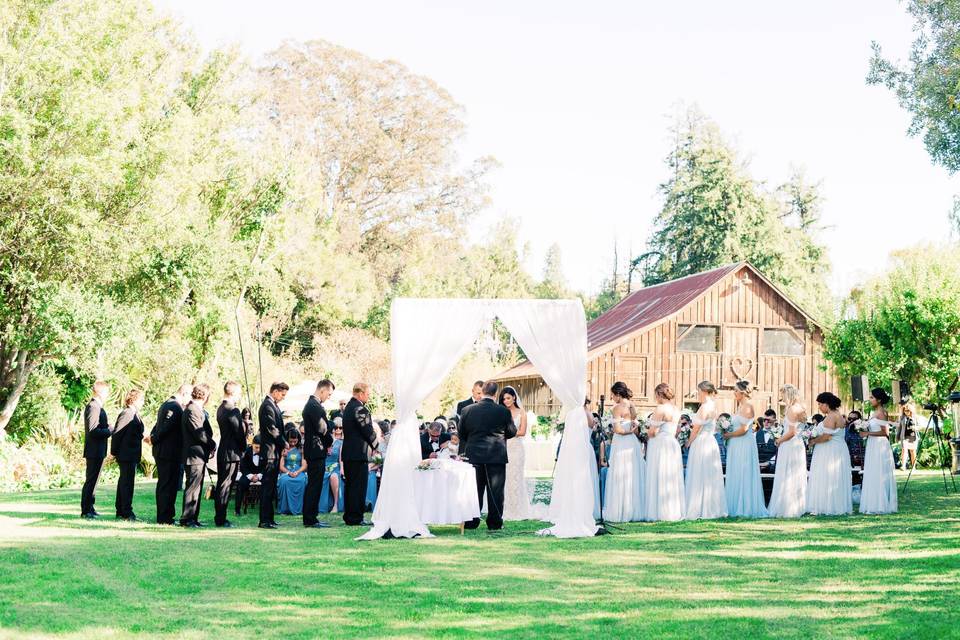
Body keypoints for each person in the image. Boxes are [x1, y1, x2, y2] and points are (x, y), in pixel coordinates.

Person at [460, 380, 517, 530]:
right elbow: (512, 432)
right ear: (495, 393)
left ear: (483, 391)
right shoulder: (503, 411)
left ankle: (472, 521)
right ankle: (495, 522)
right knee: (496, 491)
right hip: (496, 456)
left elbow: (462, 434)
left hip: (474, 456)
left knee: (474, 490)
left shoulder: (467, 410)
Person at [722, 380, 768, 518]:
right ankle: (735, 505)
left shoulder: (748, 407)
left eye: (735, 390)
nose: (734, 393)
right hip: (736, 444)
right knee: (736, 471)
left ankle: (746, 506)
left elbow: (744, 429)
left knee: (743, 472)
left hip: (743, 443)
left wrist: (728, 434)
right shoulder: (740, 406)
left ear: (742, 392)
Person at [150, 384, 192, 525]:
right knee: (167, 485)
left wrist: (153, 436)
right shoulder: (174, 407)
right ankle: (164, 517)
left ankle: (167, 515)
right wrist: (154, 438)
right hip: (168, 452)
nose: (190, 400)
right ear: (184, 393)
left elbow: (158, 426)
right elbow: (164, 428)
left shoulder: (166, 404)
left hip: (166, 451)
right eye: (189, 396)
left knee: (167, 484)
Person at [603, 381, 645, 522]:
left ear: (618, 394)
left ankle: (621, 510)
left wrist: (628, 432)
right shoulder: (633, 406)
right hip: (633, 443)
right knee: (632, 473)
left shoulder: (617, 408)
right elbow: (636, 427)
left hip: (622, 443)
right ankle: (633, 509)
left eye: (613, 395)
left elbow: (618, 430)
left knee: (620, 473)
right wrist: (632, 432)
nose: (612, 398)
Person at [684, 381, 727, 520]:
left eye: (698, 391)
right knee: (709, 475)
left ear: (704, 391)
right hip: (710, 442)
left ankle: (698, 508)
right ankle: (711, 506)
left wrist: (688, 442)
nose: (698, 394)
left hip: (702, 442)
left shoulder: (704, 407)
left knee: (699, 473)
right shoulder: (713, 406)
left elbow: (696, 428)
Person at [806, 392, 852, 515]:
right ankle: (835, 504)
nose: (819, 407)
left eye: (820, 404)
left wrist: (813, 441)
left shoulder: (831, 416)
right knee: (834, 477)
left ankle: (827, 506)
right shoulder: (838, 415)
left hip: (829, 451)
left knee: (827, 476)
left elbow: (827, 437)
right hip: (838, 449)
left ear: (826, 404)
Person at [643, 383, 684, 521]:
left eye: (656, 395)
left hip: (660, 444)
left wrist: (646, 431)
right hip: (672, 443)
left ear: (660, 394)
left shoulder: (660, 409)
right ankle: (672, 510)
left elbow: (652, 432)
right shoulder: (676, 409)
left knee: (658, 474)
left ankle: (658, 511)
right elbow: (677, 430)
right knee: (670, 476)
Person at [341, 382, 379, 526]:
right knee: (358, 486)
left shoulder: (349, 408)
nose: (368, 397)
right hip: (358, 453)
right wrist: (376, 445)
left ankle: (350, 516)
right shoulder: (359, 409)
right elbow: (367, 430)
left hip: (350, 453)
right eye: (367, 394)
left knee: (351, 486)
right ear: (360, 393)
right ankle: (356, 517)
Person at [768, 384, 808, 518]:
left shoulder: (792, 410)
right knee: (795, 473)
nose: (782, 398)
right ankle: (797, 505)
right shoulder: (802, 408)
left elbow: (791, 432)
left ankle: (786, 507)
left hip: (790, 444)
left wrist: (779, 440)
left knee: (787, 473)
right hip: (798, 444)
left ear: (788, 395)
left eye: (783, 395)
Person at [179, 384, 215, 527]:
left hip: (199, 455)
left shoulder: (196, 409)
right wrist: (212, 444)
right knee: (192, 487)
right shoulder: (192, 409)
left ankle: (193, 517)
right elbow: (199, 433)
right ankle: (186, 519)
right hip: (193, 454)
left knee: (197, 487)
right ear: (205, 396)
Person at [302, 379, 335, 528]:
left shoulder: (313, 405)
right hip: (316, 450)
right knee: (314, 485)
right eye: (329, 393)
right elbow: (323, 429)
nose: (329, 397)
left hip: (314, 449)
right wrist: (330, 442)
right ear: (322, 390)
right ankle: (310, 518)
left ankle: (311, 516)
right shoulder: (314, 406)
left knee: (314, 484)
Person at [860, 388, 898, 515]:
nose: (870, 400)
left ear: (879, 400)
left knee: (879, 471)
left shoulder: (881, 412)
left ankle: (880, 503)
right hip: (872, 444)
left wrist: (867, 432)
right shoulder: (874, 412)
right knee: (873, 471)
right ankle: (873, 501)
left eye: (872, 397)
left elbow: (885, 432)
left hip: (879, 445)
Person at [212, 381, 245, 528]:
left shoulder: (221, 408)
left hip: (224, 450)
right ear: (233, 393)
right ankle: (221, 518)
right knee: (225, 486)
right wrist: (244, 447)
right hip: (231, 453)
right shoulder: (232, 410)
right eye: (238, 393)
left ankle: (220, 516)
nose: (239, 396)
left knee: (222, 484)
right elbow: (238, 432)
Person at [499, 385, 534, 521]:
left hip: (516, 449)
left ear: (514, 397)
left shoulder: (521, 413)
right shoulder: (502, 413)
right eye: (503, 399)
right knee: (505, 479)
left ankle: (518, 508)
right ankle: (505, 508)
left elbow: (522, 432)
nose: (506, 401)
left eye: (508, 398)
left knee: (516, 477)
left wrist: (507, 433)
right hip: (503, 448)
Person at [258, 382, 289, 529]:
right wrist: (284, 442)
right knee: (267, 486)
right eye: (282, 394)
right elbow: (271, 428)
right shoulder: (267, 406)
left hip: (274, 451)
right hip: (269, 452)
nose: (283, 397)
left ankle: (269, 517)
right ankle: (264, 520)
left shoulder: (273, 405)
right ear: (275, 391)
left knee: (271, 487)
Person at [111, 389, 145, 521]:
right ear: (134, 399)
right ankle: (126, 511)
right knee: (127, 483)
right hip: (126, 454)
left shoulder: (134, 413)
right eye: (141, 399)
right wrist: (114, 452)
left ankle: (121, 509)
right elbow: (118, 433)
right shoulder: (127, 413)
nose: (142, 402)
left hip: (131, 453)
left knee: (125, 482)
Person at [81, 381, 112, 519]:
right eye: (106, 392)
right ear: (100, 392)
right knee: (91, 480)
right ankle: (86, 510)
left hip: (98, 450)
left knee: (94, 481)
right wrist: (110, 430)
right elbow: (93, 430)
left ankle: (90, 507)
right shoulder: (93, 407)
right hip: (94, 450)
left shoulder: (98, 406)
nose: (108, 394)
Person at [278, 430, 308, 515]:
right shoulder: (284, 449)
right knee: (284, 481)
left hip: (299, 472)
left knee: (302, 481)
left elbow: (304, 465)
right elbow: (281, 466)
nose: (293, 443)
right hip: (286, 472)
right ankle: (285, 509)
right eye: (291, 441)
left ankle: (300, 509)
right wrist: (288, 472)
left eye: (295, 441)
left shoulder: (301, 449)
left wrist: (297, 472)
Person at [235, 436, 262, 516]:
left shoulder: (265, 451)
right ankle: (237, 509)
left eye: (260, 448)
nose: (258, 450)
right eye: (256, 447)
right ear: (252, 444)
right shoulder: (246, 451)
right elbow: (243, 467)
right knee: (241, 484)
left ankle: (266, 509)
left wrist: (259, 476)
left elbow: (266, 466)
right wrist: (251, 476)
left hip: (260, 475)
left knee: (269, 483)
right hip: (248, 474)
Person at [896, 399, 918, 470]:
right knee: (904, 450)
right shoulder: (902, 417)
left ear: (911, 410)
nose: (906, 412)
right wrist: (897, 436)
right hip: (904, 436)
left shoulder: (915, 418)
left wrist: (915, 427)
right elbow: (899, 427)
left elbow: (920, 426)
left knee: (913, 451)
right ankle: (903, 465)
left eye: (908, 410)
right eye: (905, 410)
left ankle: (914, 466)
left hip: (913, 436)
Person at [757, 409, 778, 473]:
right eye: (764, 420)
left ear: (774, 421)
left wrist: (769, 463)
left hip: (773, 467)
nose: (766, 422)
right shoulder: (756, 434)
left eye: (768, 420)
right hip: (758, 466)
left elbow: (781, 452)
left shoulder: (779, 434)